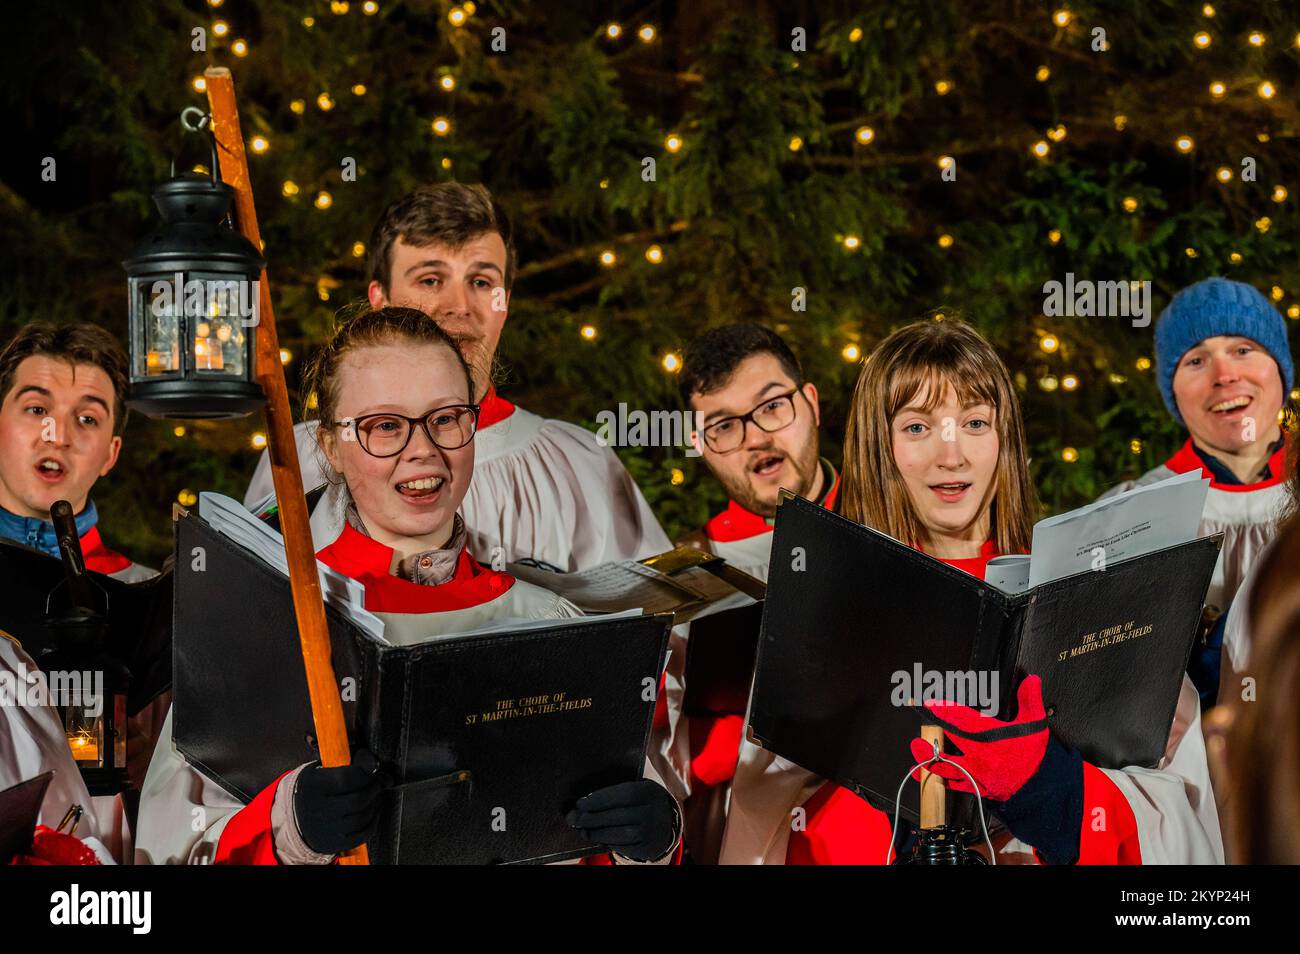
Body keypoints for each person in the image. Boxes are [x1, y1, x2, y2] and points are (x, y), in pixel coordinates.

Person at [137, 307, 680, 865]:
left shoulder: (551, 621)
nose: (422, 450)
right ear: (330, 446)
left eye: (446, 418)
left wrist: (649, 843)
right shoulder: (262, 617)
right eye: (385, 426)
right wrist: (286, 828)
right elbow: (172, 841)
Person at [720, 317, 1222, 865]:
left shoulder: (1082, 591)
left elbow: (1180, 812)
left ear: (1004, 439)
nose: (951, 455)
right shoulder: (824, 603)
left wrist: (1052, 789)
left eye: (976, 422)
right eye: (917, 428)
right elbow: (763, 808)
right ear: (879, 446)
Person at [244, 183, 669, 571]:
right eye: (431, 279)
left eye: (482, 281)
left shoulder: (580, 465)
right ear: (380, 299)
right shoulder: (299, 461)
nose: (459, 306)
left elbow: (660, 630)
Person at [658, 325, 837, 862]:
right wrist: (707, 748)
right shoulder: (685, 574)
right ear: (700, 448)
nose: (757, 438)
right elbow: (660, 757)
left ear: (810, 403)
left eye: (772, 407)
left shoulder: (893, 522)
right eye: (723, 427)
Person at [0, 322, 157, 864]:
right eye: (36, 409)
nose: (57, 435)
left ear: (110, 454)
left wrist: (152, 758)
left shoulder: (140, 597)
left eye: (85, 419)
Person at [1099, 278, 1293, 708]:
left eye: (1244, 350)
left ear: (1279, 368)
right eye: (1196, 361)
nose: (1226, 376)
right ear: (1173, 391)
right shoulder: (1129, 518)